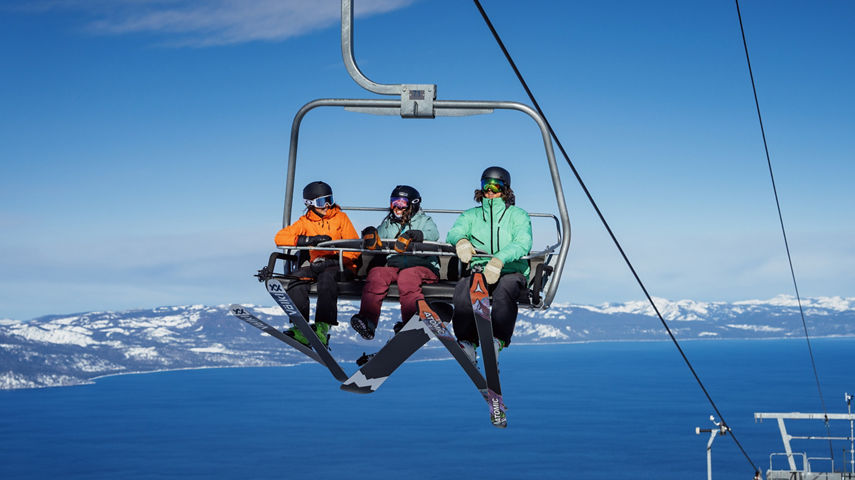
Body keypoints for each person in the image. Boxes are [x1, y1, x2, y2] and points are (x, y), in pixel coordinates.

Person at [446, 166, 532, 365]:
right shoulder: (471, 216)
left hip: (511, 269)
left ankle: (497, 340)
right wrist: (461, 241)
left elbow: (523, 242)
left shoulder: (518, 215)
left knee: (505, 290)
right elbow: (454, 232)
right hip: (480, 269)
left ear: (505, 189)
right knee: (462, 290)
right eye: (486, 185)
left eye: (496, 185)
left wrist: (499, 260)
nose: (490, 190)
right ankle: (468, 342)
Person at [274, 181, 360, 346]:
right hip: (317, 264)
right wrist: (308, 240)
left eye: (330, 200)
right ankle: (300, 327)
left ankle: (322, 327)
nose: (327, 206)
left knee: (327, 279)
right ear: (310, 203)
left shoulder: (340, 218)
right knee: (297, 279)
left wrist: (338, 258)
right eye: (322, 202)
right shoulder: (305, 221)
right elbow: (280, 237)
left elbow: (354, 247)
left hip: (342, 265)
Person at [350, 185, 440, 339]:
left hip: (424, 267)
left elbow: (433, 235)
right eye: (394, 203)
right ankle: (368, 320)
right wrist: (369, 232)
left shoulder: (424, 221)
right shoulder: (390, 223)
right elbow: (378, 234)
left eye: (402, 203)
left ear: (413, 204)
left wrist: (415, 235)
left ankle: (412, 321)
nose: (397, 207)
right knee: (377, 273)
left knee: (407, 276)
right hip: (397, 266)